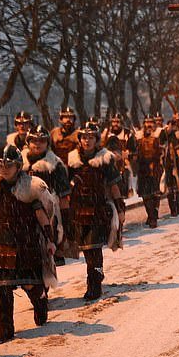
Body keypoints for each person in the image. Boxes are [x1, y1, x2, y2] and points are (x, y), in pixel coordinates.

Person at [0, 145, 57, 344]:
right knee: (2, 288)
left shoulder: (30, 188)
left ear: (18, 166)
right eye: (0, 165)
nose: (4, 169)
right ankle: (5, 328)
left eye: (9, 165)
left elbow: (42, 216)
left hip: (26, 243)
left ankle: (39, 299)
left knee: (28, 282)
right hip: (3, 243)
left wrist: (49, 239)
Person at [68, 120, 125, 301]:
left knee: (95, 250)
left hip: (98, 210)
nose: (87, 141)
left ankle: (94, 282)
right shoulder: (72, 160)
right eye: (84, 137)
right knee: (86, 250)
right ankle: (95, 276)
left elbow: (114, 186)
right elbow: (66, 186)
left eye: (91, 137)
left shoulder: (105, 159)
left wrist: (119, 206)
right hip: (78, 209)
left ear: (96, 139)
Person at [22, 125, 72, 264]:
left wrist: (66, 222)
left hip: (48, 207)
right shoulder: (19, 162)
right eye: (34, 140)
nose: (37, 144)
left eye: (41, 140)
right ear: (28, 142)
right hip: (22, 207)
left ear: (47, 143)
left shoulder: (56, 164)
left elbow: (63, 196)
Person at [135, 115, 163, 227]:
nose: (148, 125)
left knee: (155, 194)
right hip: (142, 169)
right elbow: (134, 151)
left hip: (154, 167)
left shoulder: (159, 135)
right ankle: (151, 215)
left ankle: (153, 216)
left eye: (151, 122)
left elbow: (161, 151)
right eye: (146, 122)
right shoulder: (139, 138)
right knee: (145, 195)